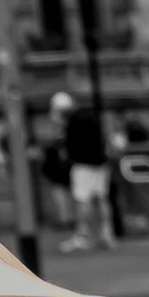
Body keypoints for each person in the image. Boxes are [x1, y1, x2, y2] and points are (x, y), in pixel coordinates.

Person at [61, 95, 113, 253]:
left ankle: (83, 236)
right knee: (101, 198)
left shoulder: (74, 121)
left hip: (83, 165)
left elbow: (71, 146)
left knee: (83, 200)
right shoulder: (93, 116)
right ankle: (106, 233)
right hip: (100, 163)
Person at [39, 91, 76, 232]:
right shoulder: (55, 127)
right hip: (58, 170)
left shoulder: (70, 126)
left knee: (66, 196)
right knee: (60, 197)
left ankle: (68, 220)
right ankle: (65, 220)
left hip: (64, 169)